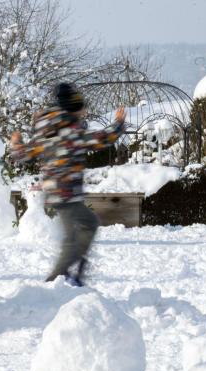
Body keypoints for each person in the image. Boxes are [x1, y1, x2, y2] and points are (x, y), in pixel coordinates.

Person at [11, 82, 126, 286]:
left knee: (84, 227)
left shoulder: (46, 132)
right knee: (75, 236)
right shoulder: (71, 131)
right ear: (73, 108)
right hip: (67, 193)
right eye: (81, 108)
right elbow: (102, 138)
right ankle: (55, 280)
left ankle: (71, 269)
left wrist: (16, 142)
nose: (84, 112)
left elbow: (24, 154)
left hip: (57, 192)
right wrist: (118, 123)